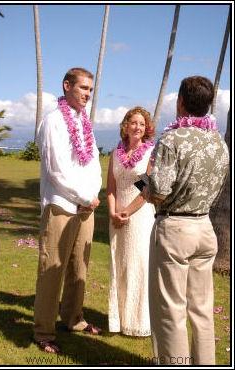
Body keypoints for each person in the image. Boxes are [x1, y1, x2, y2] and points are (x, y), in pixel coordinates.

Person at [123, 76, 229, 364]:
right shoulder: (220, 144)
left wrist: (138, 181)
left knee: (171, 308)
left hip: (175, 229)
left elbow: (157, 190)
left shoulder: (172, 139)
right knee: (202, 309)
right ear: (207, 105)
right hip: (205, 228)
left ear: (181, 101)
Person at [33, 67, 102, 354]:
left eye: (90, 89)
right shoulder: (52, 121)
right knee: (52, 269)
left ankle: (73, 318)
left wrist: (93, 193)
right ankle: (43, 332)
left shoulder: (84, 122)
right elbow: (56, 170)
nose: (87, 94)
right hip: (61, 204)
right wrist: (85, 195)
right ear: (66, 86)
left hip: (86, 206)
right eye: (83, 88)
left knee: (78, 267)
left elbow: (95, 160)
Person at [107, 106, 156, 336]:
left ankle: (138, 323)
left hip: (140, 215)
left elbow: (145, 186)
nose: (137, 127)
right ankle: (118, 320)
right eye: (133, 122)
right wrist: (113, 212)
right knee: (119, 265)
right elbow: (111, 187)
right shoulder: (115, 154)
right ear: (125, 125)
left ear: (146, 130)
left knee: (137, 264)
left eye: (142, 124)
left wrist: (128, 211)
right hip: (116, 216)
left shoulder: (150, 153)